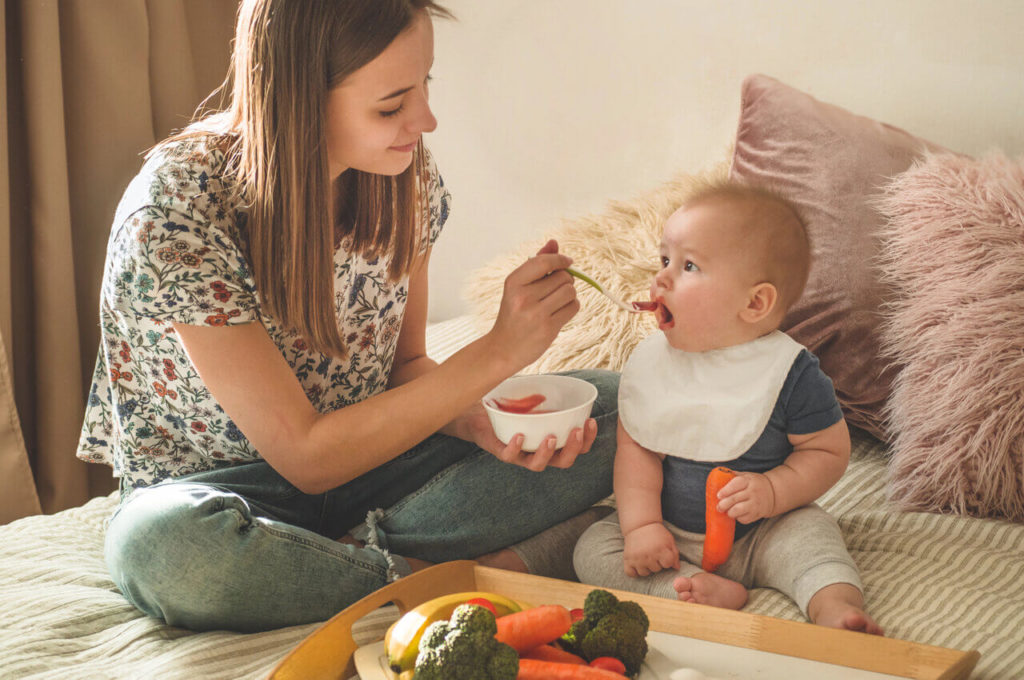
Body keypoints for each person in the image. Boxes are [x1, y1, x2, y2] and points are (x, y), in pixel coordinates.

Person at [77, 0, 618, 632]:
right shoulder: (178, 208)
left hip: (378, 473)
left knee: (620, 401)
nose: (425, 120)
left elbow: (407, 367)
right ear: (298, 100)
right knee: (165, 552)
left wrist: (483, 423)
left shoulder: (400, 175)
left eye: (424, 86)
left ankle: (343, 565)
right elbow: (306, 457)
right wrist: (496, 353)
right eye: (391, 105)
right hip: (225, 498)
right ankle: (435, 576)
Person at [573, 180, 884, 635]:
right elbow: (636, 451)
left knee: (814, 542)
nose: (661, 277)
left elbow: (828, 452)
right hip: (671, 535)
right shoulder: (654, 365)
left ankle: (834, 608)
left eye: (689, 266)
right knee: (592, 550)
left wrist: (774, 490)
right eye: (665, 260)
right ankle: (693, 588)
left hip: (764, 531)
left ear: (755, 303)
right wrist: (641, 527)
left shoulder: (790, 374)